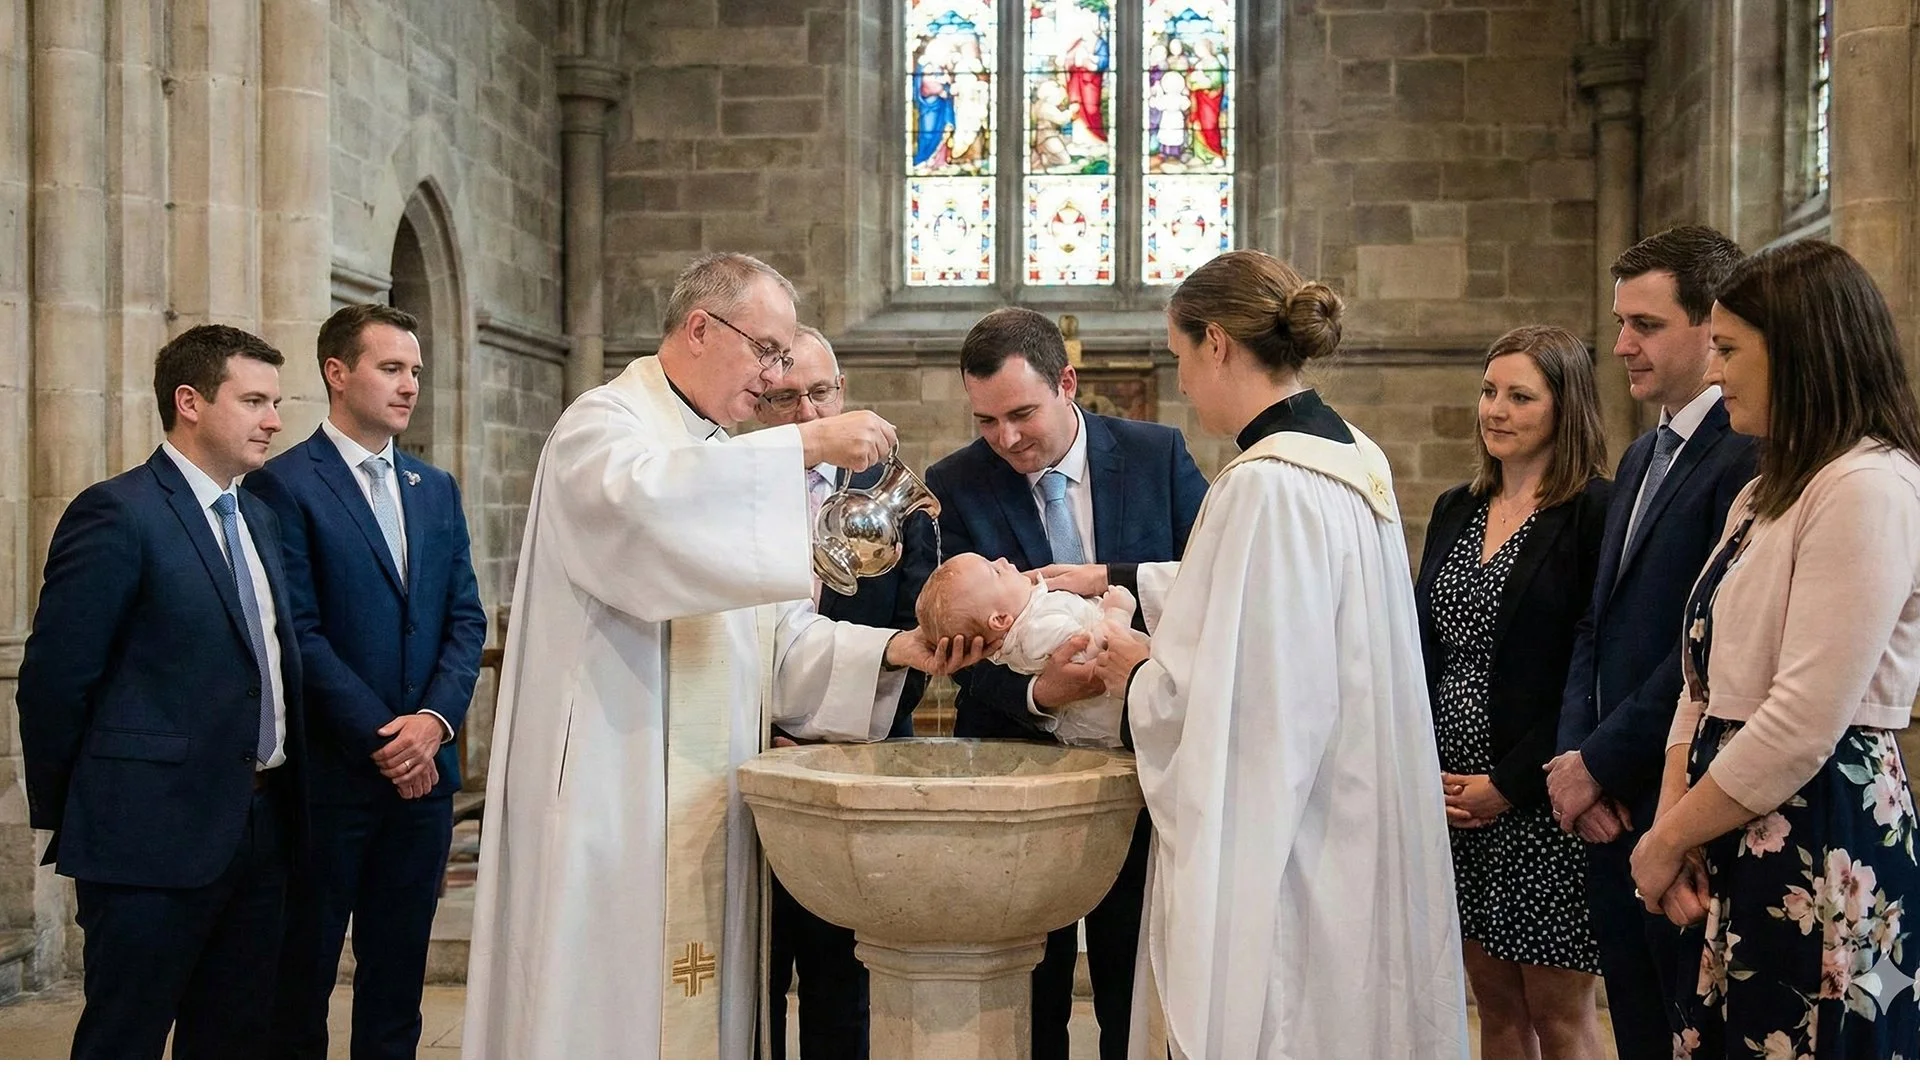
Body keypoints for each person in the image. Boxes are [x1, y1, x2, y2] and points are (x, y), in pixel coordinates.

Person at [462, 253, 981, 1059]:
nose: (774, 375)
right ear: (701, 328)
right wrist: (804, 442)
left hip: (701, 799)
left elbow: (772, 642)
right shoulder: (604, 427)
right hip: (616, 796)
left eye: (785, 357)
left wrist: (894, 651)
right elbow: (644, 515)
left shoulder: (713, 448)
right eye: (768, 352)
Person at [1071, 249, 1469, 1058]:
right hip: (1353, 798)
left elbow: (1254, 707)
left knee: (1290, 1018)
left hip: (1297, 839)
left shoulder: (1265, 483)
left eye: (1181, 356)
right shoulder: (1355, 454)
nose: (1181, 381)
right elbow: (1269, 619)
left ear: (1217, 343)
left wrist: (1138, 672)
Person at [1633, 240, 1920, 1059]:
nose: (1714, 371)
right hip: (1730, 813)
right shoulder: (1769, 489)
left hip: (1818, 827)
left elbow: (1802, 720)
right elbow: (1701, 676)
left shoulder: (1869, 487)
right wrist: (1675, 822)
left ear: (1800, 352)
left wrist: (1663, 842)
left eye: (1728, 349)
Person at [923, 305, 1207, 1059]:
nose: (1006, 439)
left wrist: (1112, 582)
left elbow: (1218, 584)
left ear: (1067, 384)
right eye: (985, 420)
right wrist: (1039, 694)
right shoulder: (954, 483)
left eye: (1021, 414)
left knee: (1136, 986)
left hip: (1144, 769)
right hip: (1020, 769)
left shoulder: (1155, 454)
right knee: (1029, 994)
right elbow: (952, 646)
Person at [17, 325, 307, 1058]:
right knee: (126, 1040)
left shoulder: (260, 517)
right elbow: (56, 682)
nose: (274, 419)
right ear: (189, 402)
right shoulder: (118, 511)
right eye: (253, 401)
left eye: (275, 402)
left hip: (258, 829)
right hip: (145, 838)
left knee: (236, 1040)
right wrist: (87, 812)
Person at [243, 304, 488, 1058]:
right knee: (303, 976)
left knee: (397, 978)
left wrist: (433, 726)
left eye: (415, 370)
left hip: (424, 780)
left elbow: (465, 620)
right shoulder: (283, 485)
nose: (409, 384)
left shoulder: (433, 487)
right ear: (336, 373)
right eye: (391, 368)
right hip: (333, 776)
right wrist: (389, 737)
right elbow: (298, 633)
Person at [1545, 225, 1755, 1059]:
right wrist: (1575, 762)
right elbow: (1597, 622)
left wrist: (1600, 763)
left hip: (1685, 802)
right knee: (1635, 1034)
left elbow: (1706, 644)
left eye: (1646, 324)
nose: (1622, 344)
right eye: (1621, 321)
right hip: (1603, 810)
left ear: (1711, 326)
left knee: (1691, 1037)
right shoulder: (1638, 456)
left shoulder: (1745, 452)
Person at [1414, 326, 1611, 1058]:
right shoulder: (1455, 508)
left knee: (1558, 1014)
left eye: (1520, 396)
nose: (1495, 410)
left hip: (1542, 800)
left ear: (1565, 407)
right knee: (1493, 1007)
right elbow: (1426, 648)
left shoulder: (1593, 511)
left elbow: (1587, 669)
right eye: (1489, 391)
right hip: (1452, 799)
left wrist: (1510, 782)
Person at [752, 325, 937, 1059]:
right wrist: (759, 732)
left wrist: (839, 734)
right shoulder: (726, 492)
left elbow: (916, 638)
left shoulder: (887, 498)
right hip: (749, 768)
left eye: (820, 392)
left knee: (845, 988)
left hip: (856, 774)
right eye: (784, 396)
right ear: (753, 404)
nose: (807, 412)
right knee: (749, 974)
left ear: (843, 394)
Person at [917, 552, 1134, 748]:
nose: (1002, 559)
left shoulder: (1025, 621)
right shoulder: (1038, 628)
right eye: (995, 571)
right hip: (1122, 710)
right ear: (1000, 619)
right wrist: (1118, 612)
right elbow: (1098, 657)